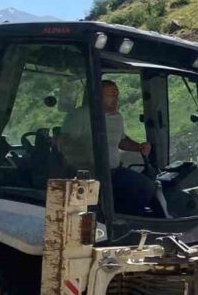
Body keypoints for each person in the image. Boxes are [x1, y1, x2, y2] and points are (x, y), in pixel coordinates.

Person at [61, 79, 157, 214]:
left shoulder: (117, 117)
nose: (116, 99)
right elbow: (64, 142)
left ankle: (124, 219)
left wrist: (138, 147)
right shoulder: (80, 115)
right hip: (88, 173)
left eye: (117, 95)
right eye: (112, 95)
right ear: (98, 96)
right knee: (141, 188)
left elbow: (121, 141)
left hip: (113, 171)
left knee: (147, 187)